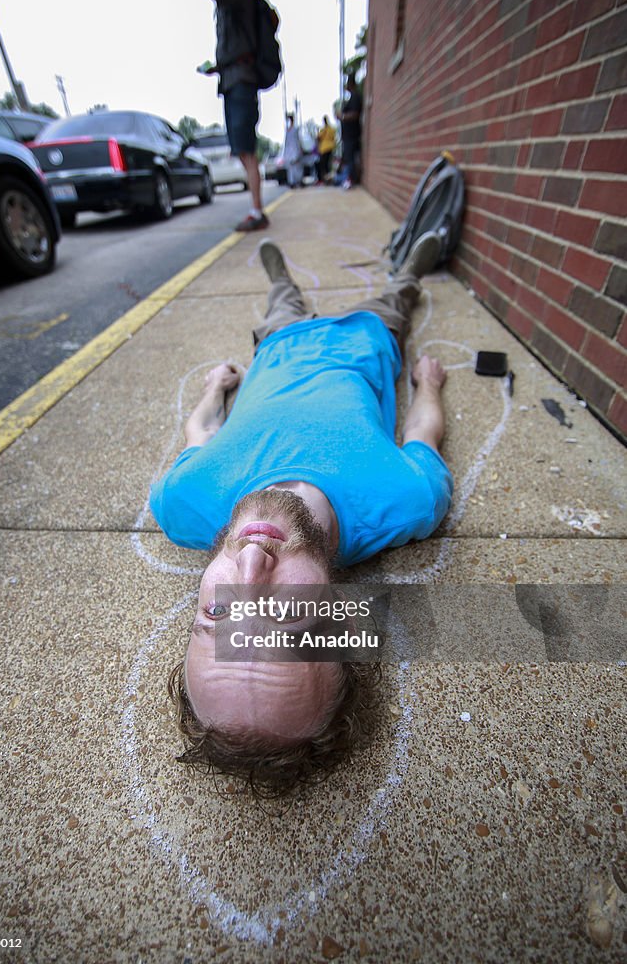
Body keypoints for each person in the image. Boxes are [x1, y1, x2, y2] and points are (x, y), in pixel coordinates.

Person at [150, 231, 452, 796]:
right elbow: (421, 432)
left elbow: (200, 434)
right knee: (397, 301)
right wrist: (427, 385)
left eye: (218, 612)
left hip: (278, 345)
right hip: (369, 342)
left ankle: (279, 281)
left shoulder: (181, 504)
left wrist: (216, 389)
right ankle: (408, 271)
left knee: (281, 304)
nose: (250, 565)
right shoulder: (406, 502)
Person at [192, 0, 268, 232]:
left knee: (247, 149)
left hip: (242, 80)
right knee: (242, 149)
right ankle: (256, 207)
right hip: (232, 78)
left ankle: (257, 211)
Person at [335, 74, 362, 189]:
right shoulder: (351, 98)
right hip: (347, 136)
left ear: (351, 84)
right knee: (348, 158)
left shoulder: (355, 97)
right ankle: (347, 178)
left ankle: (350, 179)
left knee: (350, 158)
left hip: (352, 135)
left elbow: (355, 114)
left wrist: (342, 117)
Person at [282, 113, 304, 189]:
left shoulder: (291, 130)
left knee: (295, 167)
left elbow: (296, 140)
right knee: (294, 167)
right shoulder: (290, 130)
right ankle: (294, 181)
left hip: (293, 150)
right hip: (292, 150)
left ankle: (295, 181)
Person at [316, 114, 337, 183]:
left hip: (324, 148)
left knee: (323, 165)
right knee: (328, 164)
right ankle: (329, 179)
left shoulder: (323, 129)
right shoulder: (332, 129)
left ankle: (324, 179)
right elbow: (333, 137)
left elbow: (318, 138)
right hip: (330, 147)